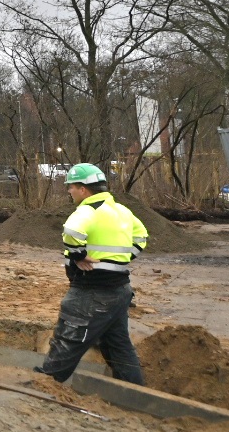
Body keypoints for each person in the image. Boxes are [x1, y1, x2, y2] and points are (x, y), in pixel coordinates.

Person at [35, 163, 147, 384]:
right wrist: (120, 261)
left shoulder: (88, 210)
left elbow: (71, 232)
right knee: (119, 347)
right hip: (120, 290)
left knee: (68, 341)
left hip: (91, 290)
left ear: (83, 189)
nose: (69, 191)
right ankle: (136, 394)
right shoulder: (122, 211)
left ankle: (43, 386)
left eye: (71, 187)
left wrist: (79, 255)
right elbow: (141, 237)